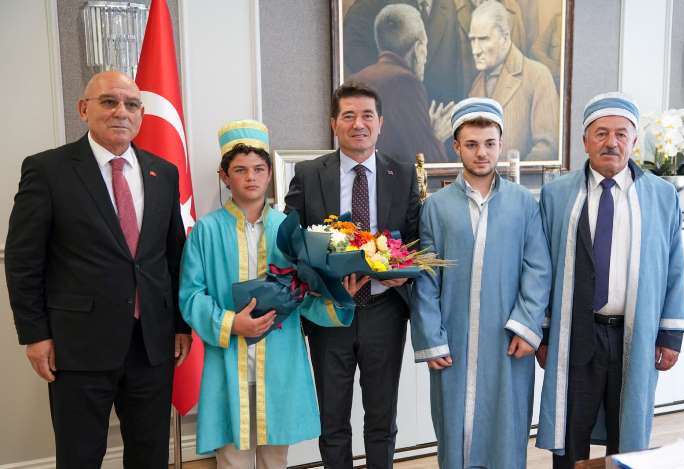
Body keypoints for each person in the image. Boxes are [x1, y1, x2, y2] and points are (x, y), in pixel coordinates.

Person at [4, 70, 191, 468]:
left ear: (141, 114)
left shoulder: (163, 171)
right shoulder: (48, 170)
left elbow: (173, 255)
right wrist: (35, 334)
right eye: (109, 101)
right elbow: (24, 260)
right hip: (78, 345)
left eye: (132, 104)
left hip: (152, 343)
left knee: (150, 455)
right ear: (83, 109)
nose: (121, 111)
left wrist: (180, 324)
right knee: (80, 456)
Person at [179, 120, 356, 468]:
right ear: (224, 176)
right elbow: (191, 295)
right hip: (228, 359)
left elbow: (305, 296)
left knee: (276, 457)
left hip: (279, 359)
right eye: (240, 170)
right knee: (232, 457)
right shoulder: (205, 231)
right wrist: (231, 323)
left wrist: (338, 298)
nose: (251, 177)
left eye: (259, 169)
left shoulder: (289, 230)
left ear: (270, 174)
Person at [536, 92, 684, 468]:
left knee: (627, 438)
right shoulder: (556, 196)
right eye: (601, 133)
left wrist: (670, 335)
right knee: (570, 435)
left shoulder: (661, 196)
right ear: (585, 141)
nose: (612, 142)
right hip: (576, 334)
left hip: (634, 336)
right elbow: (541, 269)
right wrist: (543, 332)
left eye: (621, 134)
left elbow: (674, 268)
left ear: (634, 141)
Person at [285, 82, 420, 469]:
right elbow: (292, 241)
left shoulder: (402, 173)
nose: (358, 124)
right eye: (348, 116)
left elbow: (416, 238)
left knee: (381, 418)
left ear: (380, 123)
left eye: (366, 116)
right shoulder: (309, 174)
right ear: (334, 124)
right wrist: (323, 280)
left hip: (384, 311)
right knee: (333, 420)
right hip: (330, 312)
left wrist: (403, 274)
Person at [411, 97, 551, 468]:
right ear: (456, 146)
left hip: (507, 338)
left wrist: (527, 327)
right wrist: (431, 337)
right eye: (471, 144)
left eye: (489, 143)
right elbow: (426, 277)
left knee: (507, 424)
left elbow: (538, 269)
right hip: (453, 338)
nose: (481, 153)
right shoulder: (436, 207)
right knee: (454, 424)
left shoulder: (524, 203)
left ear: (501, 144)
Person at [352, 3, 453, 163]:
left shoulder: (356, 80)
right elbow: (425, 163)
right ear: (418, 48)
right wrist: (436, 137)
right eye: (425, 46)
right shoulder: (406, 84)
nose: (425, 57)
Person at [468, 0, 558, 161]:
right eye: (472, 40)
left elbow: (547, 149)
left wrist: (513, 176)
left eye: (483, 39)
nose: (475, 50)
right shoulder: (475, 86)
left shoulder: (538, 76)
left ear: (505, 38)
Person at [343, 0, 466, 104]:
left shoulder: (446, 5)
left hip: (442, 114)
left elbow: (455, 67)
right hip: (397, 111)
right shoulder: (370, 5)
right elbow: (352, 42)